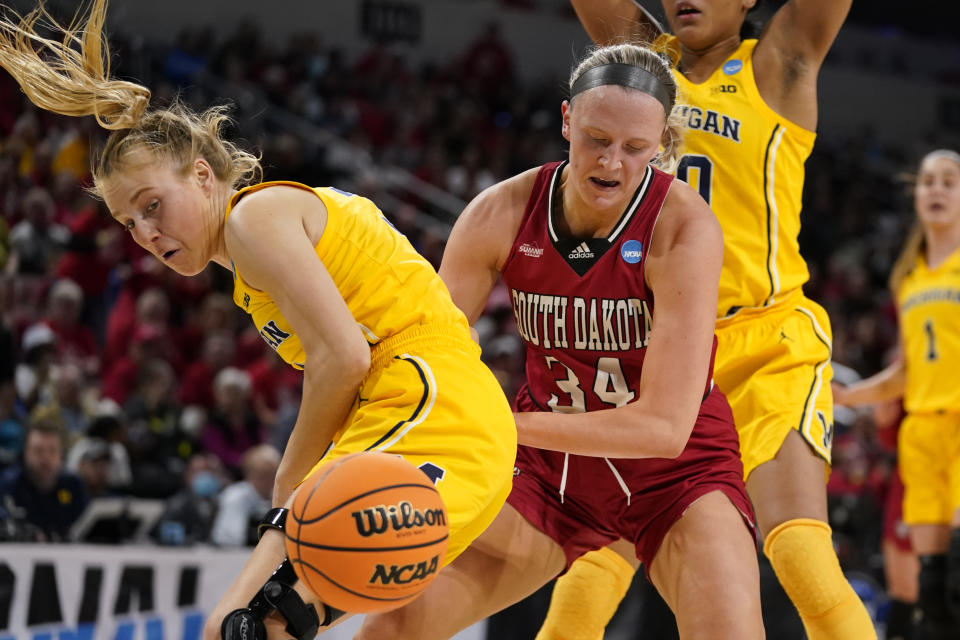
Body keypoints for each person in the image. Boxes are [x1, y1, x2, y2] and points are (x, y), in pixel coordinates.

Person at [0, 2, 516, 638]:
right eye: (128, 223)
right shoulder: (249, 266)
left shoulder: (253, 219)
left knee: (247, 621)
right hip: (441, 414)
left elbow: (345, 359)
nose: (146, 233)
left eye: (153, 205)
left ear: (201, 173)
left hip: (429, 404)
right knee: (244, 628)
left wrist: (288, 484)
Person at [358, 41, 764, 640]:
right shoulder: (500, 213)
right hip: (548, 473)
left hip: (677, 476)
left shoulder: (684, 228)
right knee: (393, 628)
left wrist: (498, 423)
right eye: (597, 139)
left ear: (660, 145)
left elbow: (662, 428)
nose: (613, 163)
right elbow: (430, 354)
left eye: (635, 149)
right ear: (567, 118)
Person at [545, 1, 875, 638]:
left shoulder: (779, 65)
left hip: (764, 343)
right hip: (660, 348)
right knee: (594, 563)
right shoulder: (644, 65)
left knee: (802, 552)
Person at [833, 150, 960, 640]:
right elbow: (904, 374)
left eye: (949, 182)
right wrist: (846, 398)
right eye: (927, 182)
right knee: (931, 591)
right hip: (921, 435)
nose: (936, 191)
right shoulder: (909, 279)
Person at [0, 418, 89, 541]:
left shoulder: (73, 485)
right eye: (38, 451)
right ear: (26, 453)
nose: (45, 458)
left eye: (52, 451)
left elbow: (85, 527)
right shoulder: (10, 484)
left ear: (61, 455)